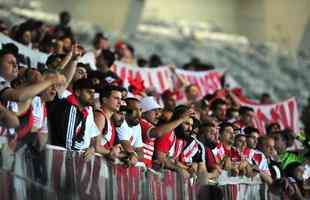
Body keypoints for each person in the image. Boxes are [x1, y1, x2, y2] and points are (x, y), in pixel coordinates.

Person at [48, 78, 99, 160]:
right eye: (89, 92)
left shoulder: (83, 110)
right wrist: (85, 148)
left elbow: (81, 137)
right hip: (53, 156)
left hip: (59, 157)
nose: (93, 96)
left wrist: (91, 148)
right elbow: (69, 143)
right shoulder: (70, 107)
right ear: (78, 92)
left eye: (93, 93)